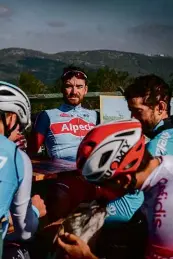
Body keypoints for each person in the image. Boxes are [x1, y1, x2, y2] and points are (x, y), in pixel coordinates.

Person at [58, 119, 173, 259]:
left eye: (103, 185)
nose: (100, 190)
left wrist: (85, 256)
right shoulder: (165, 162)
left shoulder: (162, 212)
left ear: (124, 180)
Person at [0, 81, 46, 258]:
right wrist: (35, 210)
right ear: (11, 118)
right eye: (19, 124)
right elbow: (25, 230)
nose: (18, 130)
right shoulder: (16, 156)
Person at [28, 66, 99, 161]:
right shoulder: (47, 116)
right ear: (62, 89)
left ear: (85, 90)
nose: (74, 92)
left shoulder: (96, 116)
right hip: (62, 173)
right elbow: (31, 154)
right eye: (69, 86)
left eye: (79, 87)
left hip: (94, 171)